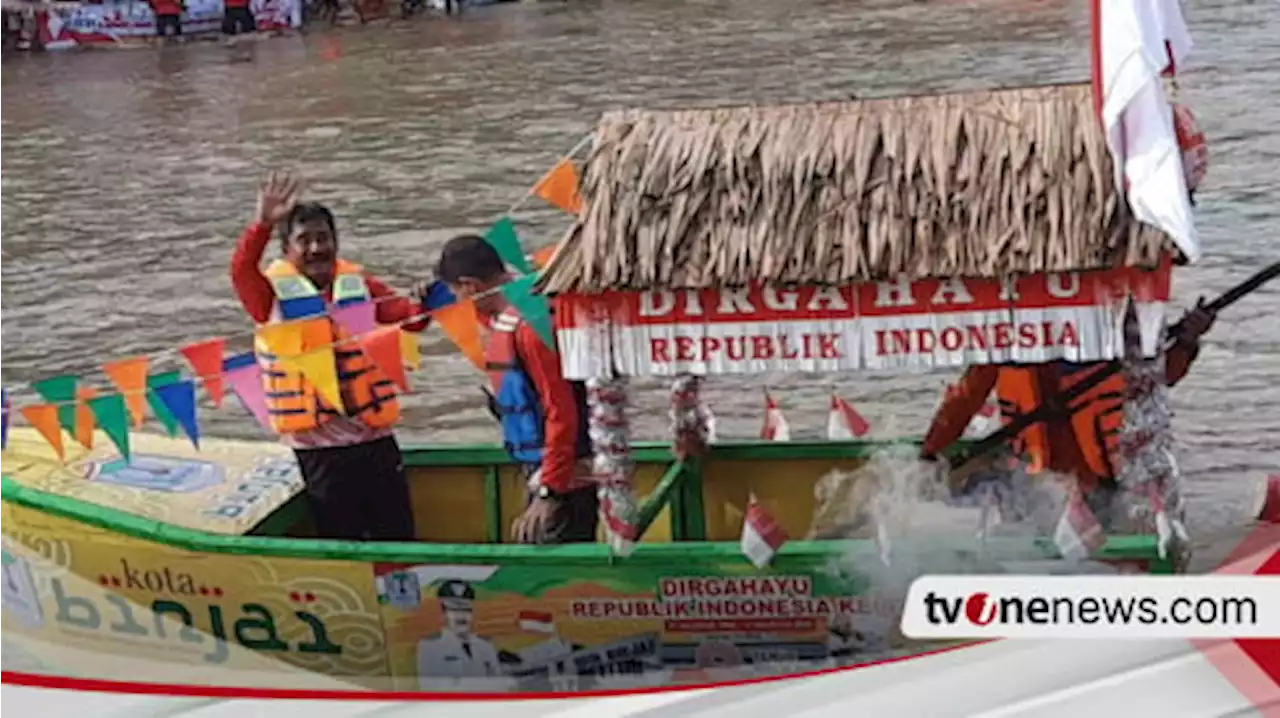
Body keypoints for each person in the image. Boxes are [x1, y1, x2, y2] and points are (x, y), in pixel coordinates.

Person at [230, 171, 429, 541]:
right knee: (343, 539)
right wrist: (260, 225)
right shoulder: (269, 297)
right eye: (304, 241)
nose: (317, 248)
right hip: (320, 451)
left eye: (324, 238)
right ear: (287, 250)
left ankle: (405, 597)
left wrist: (429, 299)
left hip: (375, 440)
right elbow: (241, 271)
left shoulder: (360, 285)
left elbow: (411, 320)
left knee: (399, 534)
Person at [920, 301, 1217, 505]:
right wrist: (930, 453)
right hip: (1032, 473)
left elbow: (1156, 377)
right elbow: (966, 397)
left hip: (1101, 477)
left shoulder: (1109, 330)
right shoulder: (1005, 339)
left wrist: (1187, 341)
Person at [434, 234, 598, 545]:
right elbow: (484, 310)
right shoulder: (513, 306)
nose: (456, 303)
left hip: (566, 478)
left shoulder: (531, 328)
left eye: (456, 292)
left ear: (470, 286)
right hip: (545, 468)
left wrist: (550, 491)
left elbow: (561, 411)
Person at [416, 580, 503, 686]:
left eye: (466, 610)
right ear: (444, 613)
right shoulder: (430, 647)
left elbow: (497, 684)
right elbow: (429, 689)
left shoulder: (485, 645)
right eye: (454, 610)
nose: (461, 616)